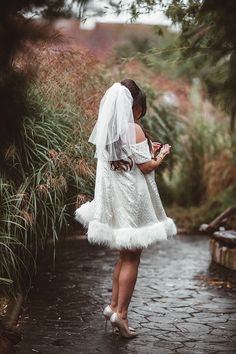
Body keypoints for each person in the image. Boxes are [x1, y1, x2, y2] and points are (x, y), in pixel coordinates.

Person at [75, 79, 177, 338]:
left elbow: (126, 161)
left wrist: (146, 151)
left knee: (124, 256)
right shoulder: (134, 128)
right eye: (139, 106)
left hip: (118, 203)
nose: (140, 112)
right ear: (134, 105)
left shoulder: (109, 133)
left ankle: (113, 306)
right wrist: (161, 155)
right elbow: (145, 167)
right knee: (133, 257)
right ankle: (122, 314)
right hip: (134, 202)